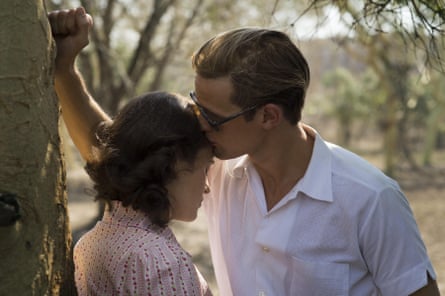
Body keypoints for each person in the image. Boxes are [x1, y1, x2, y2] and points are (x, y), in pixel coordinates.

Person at [49, 7, 440, 296]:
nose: (198, 124)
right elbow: (120, 152)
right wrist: (65, 69)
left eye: (212, 116)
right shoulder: (215, 166)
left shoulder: (371, 198)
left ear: (268, 115)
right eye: (195, 105)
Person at [48, 9, 213, 296]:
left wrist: (64, 68)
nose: (208, 186)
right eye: (204, 168)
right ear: (171, 164)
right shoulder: (162, 264)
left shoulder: (93, 242)